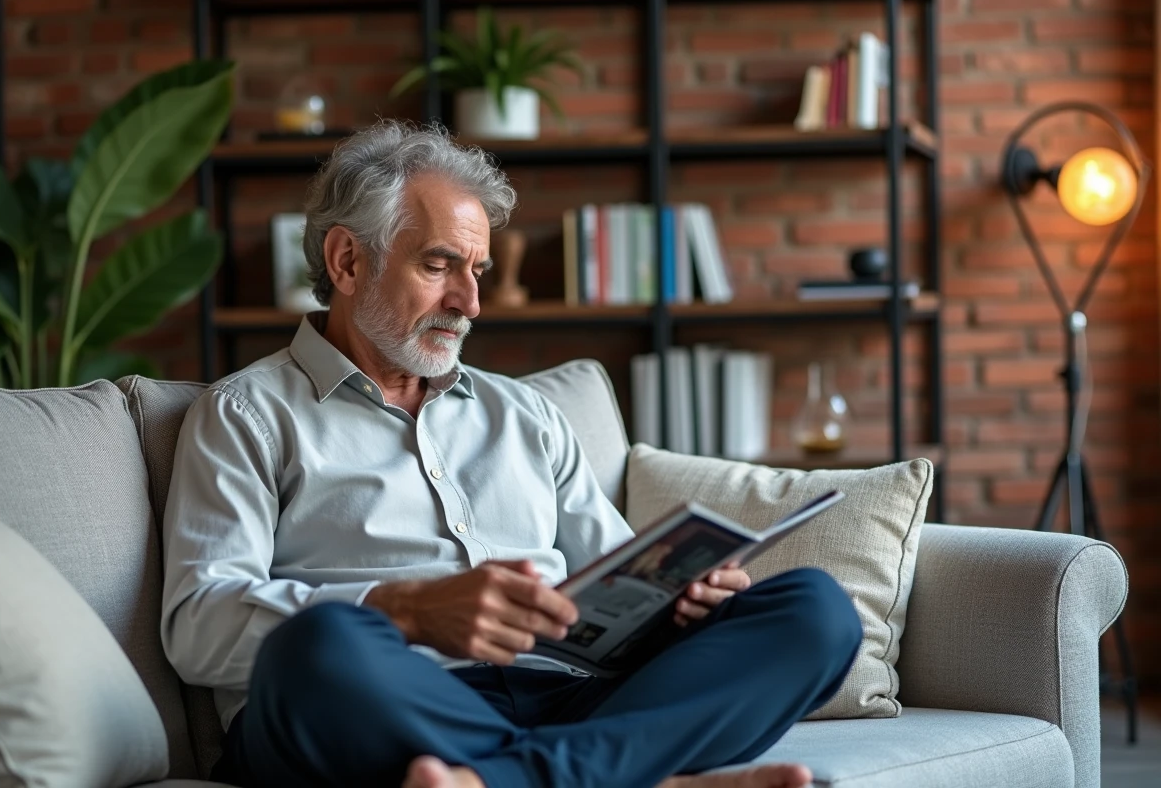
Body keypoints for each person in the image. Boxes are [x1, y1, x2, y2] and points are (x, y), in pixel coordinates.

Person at [160, 120, 862, 788]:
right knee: (318, 646)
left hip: (567, 697)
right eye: (439, 266)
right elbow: (199, 626)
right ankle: (627, 772)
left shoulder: (527, 414)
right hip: (384, 703)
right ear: (348, 260)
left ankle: (510, 776)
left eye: (477, 271)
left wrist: (678, 604)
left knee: (815, 611)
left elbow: (615, 591)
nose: (469, 301)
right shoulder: (246, 415)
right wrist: (406, 611)